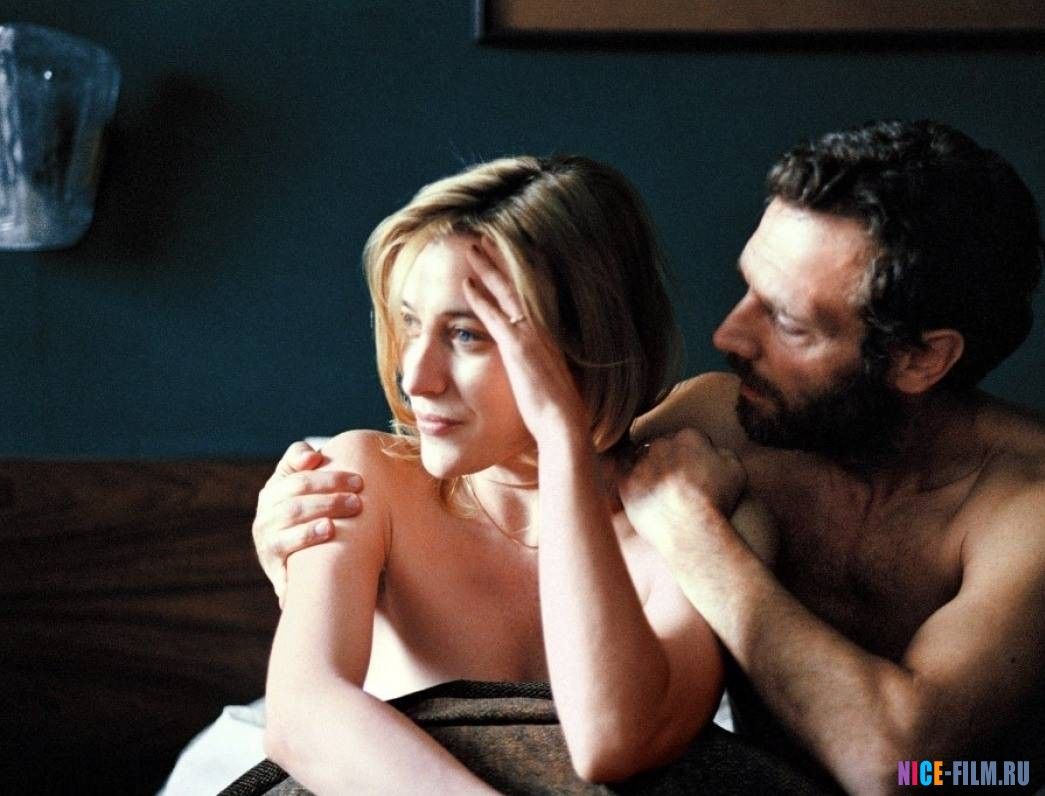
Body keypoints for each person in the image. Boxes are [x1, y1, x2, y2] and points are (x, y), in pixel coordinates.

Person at [257, 120, 1044, 794]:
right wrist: (299, 542)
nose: (727, 335)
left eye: (787, 321)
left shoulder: (1025, 509)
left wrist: (695, 536)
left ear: (920, 359)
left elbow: (895, 770)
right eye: (746, 288)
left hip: (972, 780)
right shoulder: (717, 420)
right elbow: (558, 448)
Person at [203, 154, 732, 794]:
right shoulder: (366, 480)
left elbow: (609, 744)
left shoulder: (684, 515)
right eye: (410, 323)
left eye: (466, 336)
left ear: (584, 343)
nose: (415, 377)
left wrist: (562, 438)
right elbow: (301, 718)